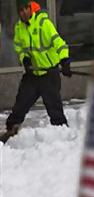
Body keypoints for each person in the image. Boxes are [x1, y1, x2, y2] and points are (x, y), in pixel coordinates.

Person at [1, 0, 71, 142]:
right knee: (20, 105)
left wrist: (64, 61)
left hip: (49, 74)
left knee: (55, 109)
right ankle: (10, 132)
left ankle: (64, 138)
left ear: (30, 7)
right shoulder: (19, 28)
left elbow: (59, 44)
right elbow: (19, 48)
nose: (23, 13)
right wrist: (25, 59)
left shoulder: (43, 24)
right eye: (20, 10)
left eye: (25, 9)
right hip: (32, 74)